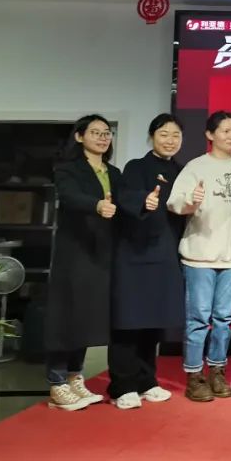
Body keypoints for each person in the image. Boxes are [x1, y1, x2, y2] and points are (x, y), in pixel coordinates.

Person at [108, 113, 187, 410]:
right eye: (164, 134)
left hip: (165, 254)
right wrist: (144, 200)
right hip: (135, 255)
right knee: (128, 321)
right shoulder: (136, 167)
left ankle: (146, 381)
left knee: (153, 321)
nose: (170, 140)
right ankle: (122, 385)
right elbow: (126, 196)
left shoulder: (181, 171)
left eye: (176, 135)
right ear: (152, 136)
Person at [46, 114, 120, 411]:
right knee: (66, 315)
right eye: (95, 132)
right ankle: (57, 382)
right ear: (79, 137)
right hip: (74, 252)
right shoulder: (67, 169)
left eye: (106, 133)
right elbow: (69, 196)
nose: (103, 138)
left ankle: (75, 375)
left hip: (101, 252)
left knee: (87, 316)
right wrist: (96, 204)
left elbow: (123, 203)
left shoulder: (113, 172)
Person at [167, 111, 231, 403]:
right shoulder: (196, 167)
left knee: (224, 319)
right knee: (198, 319)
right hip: (199, 257)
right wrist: (191, 202)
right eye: (225, 131)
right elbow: (175, 203)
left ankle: (217, 371)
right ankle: (194, 375)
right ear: (210, 135)